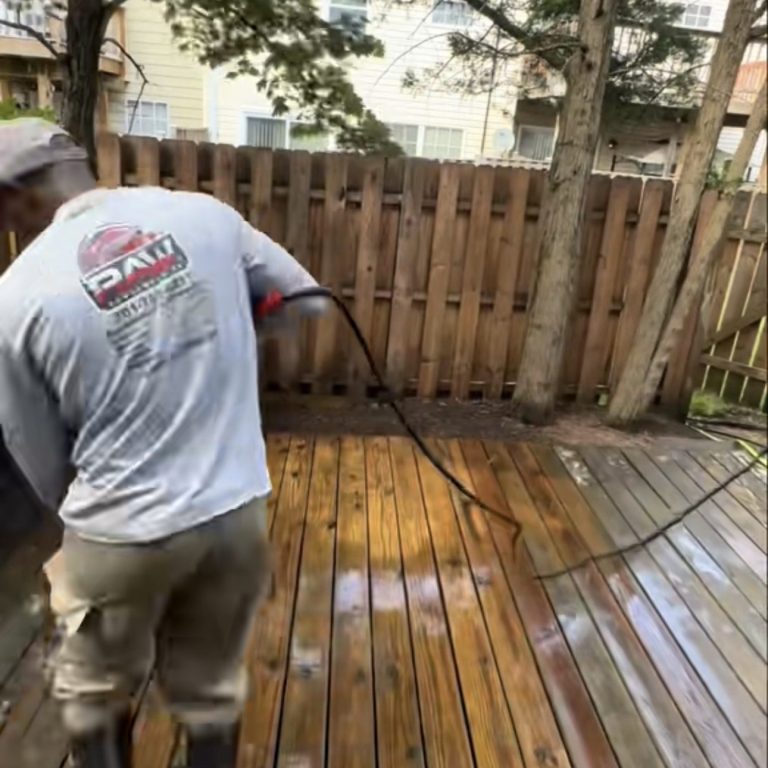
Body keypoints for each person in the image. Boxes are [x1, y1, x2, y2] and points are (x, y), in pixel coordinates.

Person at [0, 119, 325, 768]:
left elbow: (31, 450)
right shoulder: (205, 216)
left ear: (16, 197)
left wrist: (79, 517)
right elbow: (303, 301)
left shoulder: (14, 295)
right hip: (231, 516)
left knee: (95, 697)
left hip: (116, 536)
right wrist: (229, 331)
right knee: (210, 691)